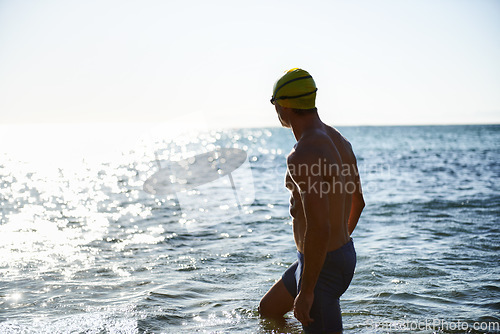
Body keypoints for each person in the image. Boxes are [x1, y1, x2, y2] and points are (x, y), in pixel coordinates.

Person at [259, 68, 365, 333]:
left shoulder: (303, 154)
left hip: (323, 267)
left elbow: (319, 228)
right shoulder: (340, 141)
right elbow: (358, 202)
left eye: (274, 103)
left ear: (283, 105)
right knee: (269, 310)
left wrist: (307, 291)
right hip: (331, 256)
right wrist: (338, 247)